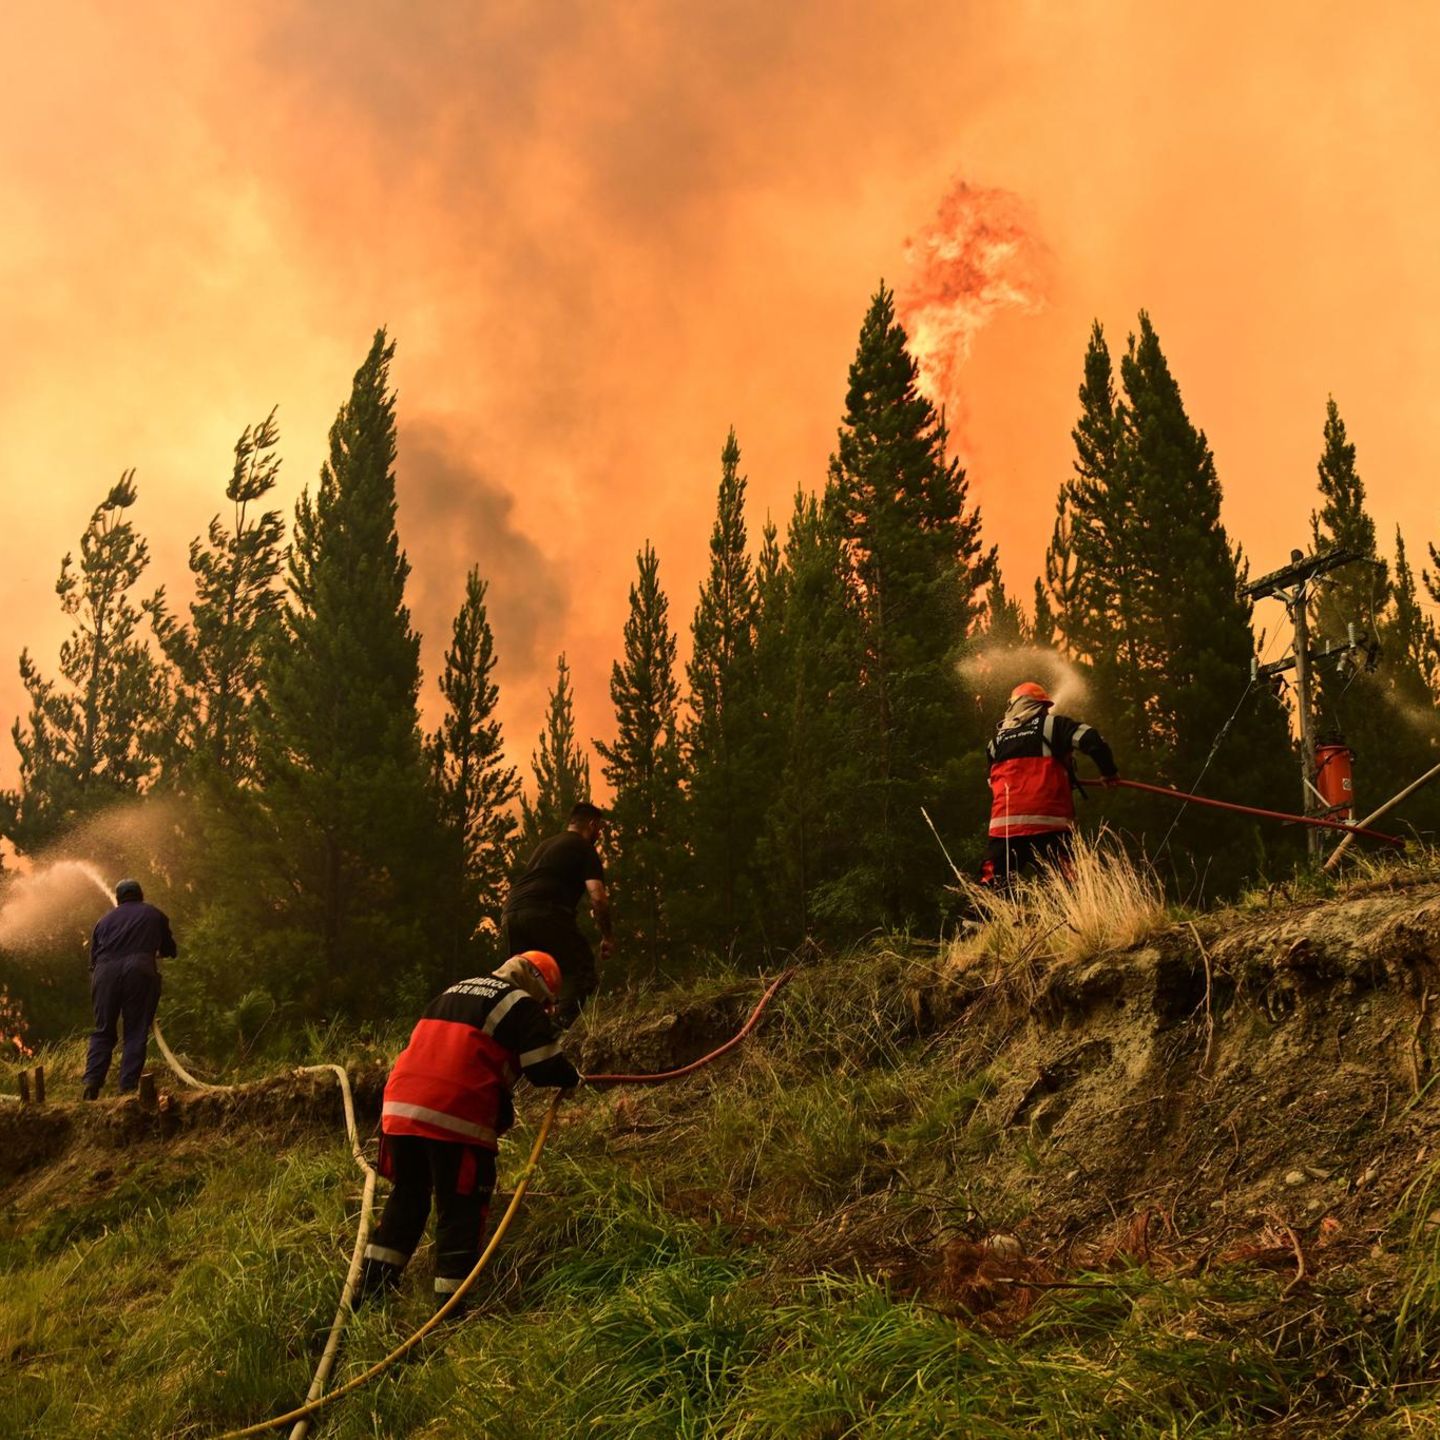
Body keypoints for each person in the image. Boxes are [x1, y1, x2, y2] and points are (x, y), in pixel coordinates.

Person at [357, 951, 580, 1310]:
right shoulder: (519, 1003)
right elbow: (544, 1066)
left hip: (398, 1113)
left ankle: (370, 1296)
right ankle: (450, 1314)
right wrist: (573, 1078)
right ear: (538, 987)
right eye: (548, 1004)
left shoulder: (451, 992)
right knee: (460, 1210)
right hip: (452, 1117)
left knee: (407, 1198)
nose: (547, 1012)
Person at [981, 681, 1119, 889]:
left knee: (990, 887)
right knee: (1069, 888)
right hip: (1050, 823)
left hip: (1005, 827)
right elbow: (1091, 738)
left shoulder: (996, 741)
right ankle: (1077, 921)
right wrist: (1109, 773)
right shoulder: (1054, 725)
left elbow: (993, 782)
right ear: (1041, 706)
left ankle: (975, 921)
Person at [502, 801, 614, 1025]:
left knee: (525, 981)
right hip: (545, 913)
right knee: (581, 972)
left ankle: (520, 1037)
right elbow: (598, 898)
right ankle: (560, 1034)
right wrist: (607, 936)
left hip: (511, 913)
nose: (600, 835)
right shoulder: (584, 847)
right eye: (600, 829)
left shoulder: (546, 845)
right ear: (592, 824)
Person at [82, 878, 176, 1100]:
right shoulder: (154, 914)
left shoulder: (103, 921)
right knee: (135, 1030)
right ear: (141, 894)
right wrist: (158, 952)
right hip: (139, 971)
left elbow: (93, 960)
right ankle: (127, 1087)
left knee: (103, 1030)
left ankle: (91, 1084)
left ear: (118, 898)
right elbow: (170, 948)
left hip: (104, 975)